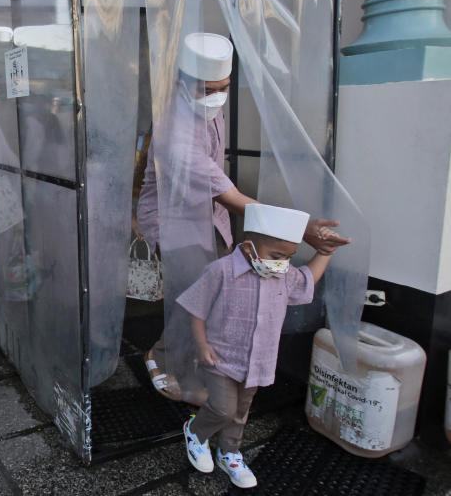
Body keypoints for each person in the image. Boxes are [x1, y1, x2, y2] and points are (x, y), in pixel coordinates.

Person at [135, 33, 349, 400]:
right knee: (195, 295)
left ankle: (192, 358)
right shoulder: (175, 130)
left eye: (224, 87)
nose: (217, 96)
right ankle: (163, 357)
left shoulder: (208, 107)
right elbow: (231, 197)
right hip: (174, 221)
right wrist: (301, 229)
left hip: (208, 215)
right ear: (182, 84)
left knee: (214, 293)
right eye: (207, 89)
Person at [179, 204, 340, 489]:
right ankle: (196, 431)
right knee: (222, 408)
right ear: (249, 246)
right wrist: (201, 343)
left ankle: (229, 452)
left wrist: (325, 253)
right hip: (220, 357)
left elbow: (307, 278)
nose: (281, 263)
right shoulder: (221, 271)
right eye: (276, 256)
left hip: (257, 361)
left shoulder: (282, 274)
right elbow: (196, 307)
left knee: (240, 412)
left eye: (288, 257)